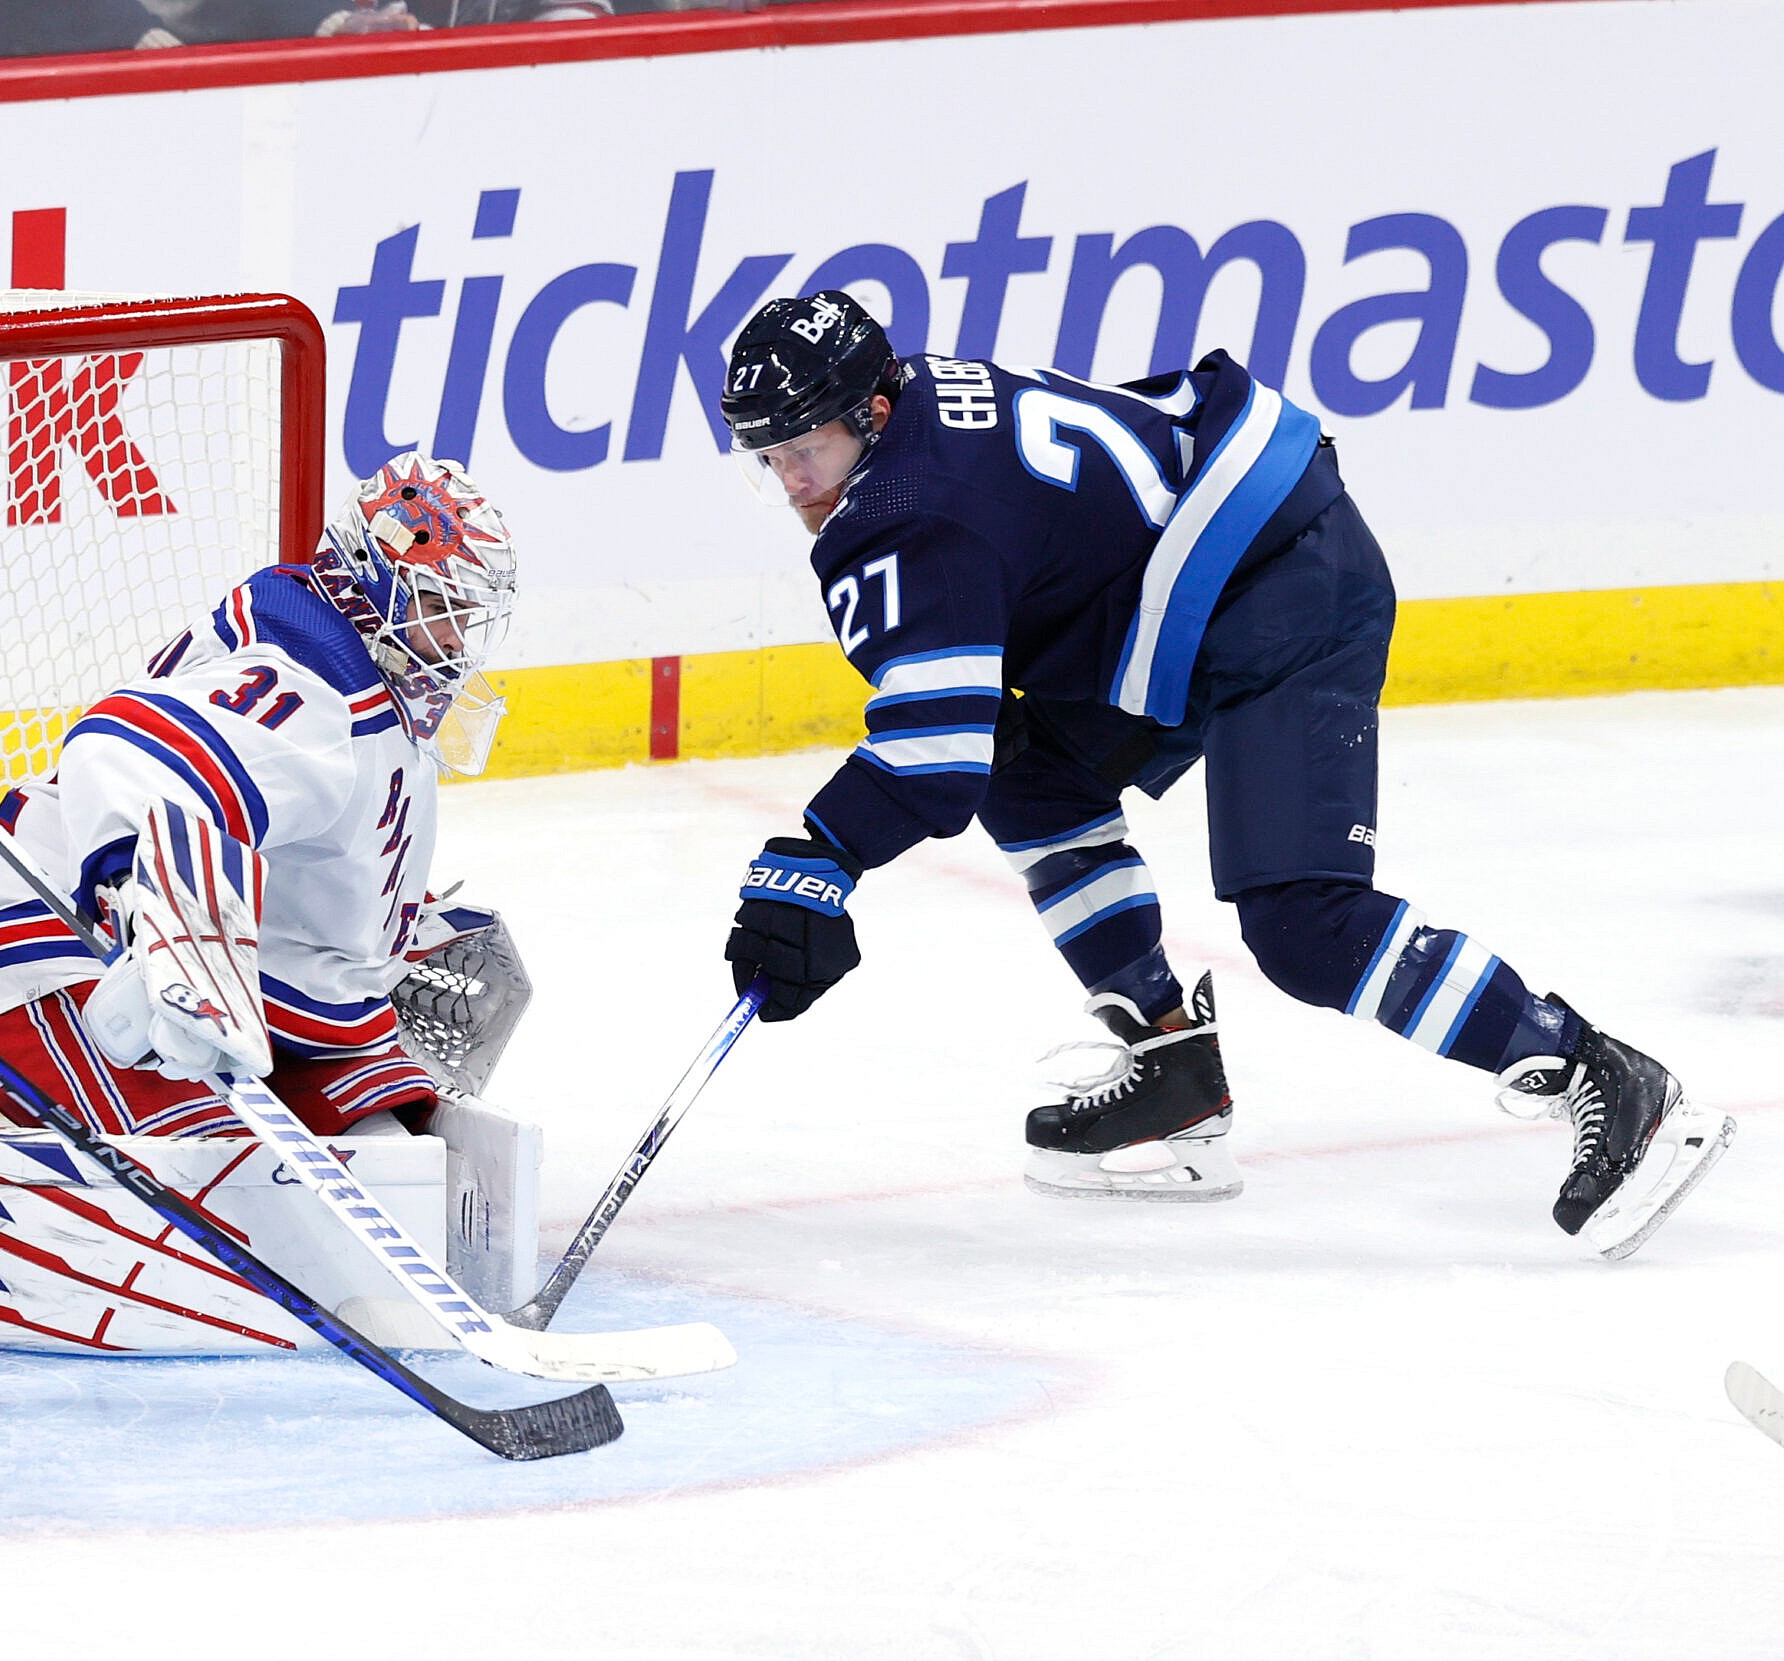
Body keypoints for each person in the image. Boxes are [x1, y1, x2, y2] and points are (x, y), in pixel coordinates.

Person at [715, 290, 1731, 1252]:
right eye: (771, 457)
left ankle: (1603, 1076)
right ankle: (1172, 1067)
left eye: (808, 448)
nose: (795, 481)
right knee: (1021, 769)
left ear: (875, 411)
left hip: (1279, 577)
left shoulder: (904, 513)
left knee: (1302, 922)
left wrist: (816, 859)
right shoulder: (915, 415)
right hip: (1192, 568)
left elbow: (927, 756)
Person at [0, 452, 516, 1161]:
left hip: (253, 991)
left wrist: (393, 917)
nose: (456, 642)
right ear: (378, 587)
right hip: (64, 957)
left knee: (394, 1133)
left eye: (464, 615)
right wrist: (153, 924)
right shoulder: (315, 694)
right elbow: (124, 751)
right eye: (439, 609)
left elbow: (305, 831)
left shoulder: (374, 682)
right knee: (230, 1171)